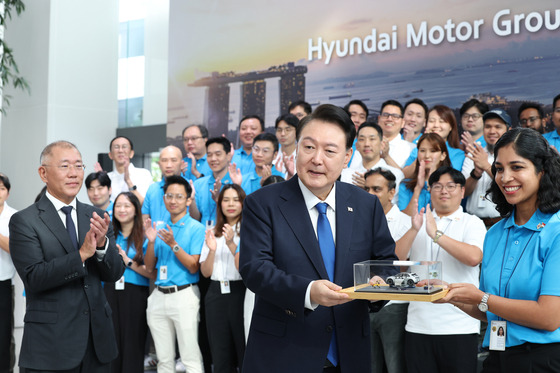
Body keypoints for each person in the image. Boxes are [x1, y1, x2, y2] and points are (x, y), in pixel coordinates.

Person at [239, 104, 398, 372]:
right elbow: (255, 269)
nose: (317, 159)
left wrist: (377, 288)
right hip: (284, 353)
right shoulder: (262, 203)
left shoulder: (366, 205)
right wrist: (308, 292)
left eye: (330, 150)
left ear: (347, 156)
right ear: (296, 148)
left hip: (350, 353)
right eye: (309, 147)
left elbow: (384, 261)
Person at [437, 128, 560, 372]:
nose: (505, 178)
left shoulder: (556, 231)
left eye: (517, 167)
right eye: (499, 169)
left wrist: (481, 297)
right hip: (497, 356)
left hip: (543, 360)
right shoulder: (494, 233)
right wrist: (451, 296)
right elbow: (489, 309)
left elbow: (549, 318)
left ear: (542, 171)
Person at [9, 140, 125, 372]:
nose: (74, 174)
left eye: (79, 166)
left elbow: (113, 274)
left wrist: (102, 246)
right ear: (43, 173)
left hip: (97, 343)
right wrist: (82, 255)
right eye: (65, 166)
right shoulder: (25, 221)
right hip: (51, 344)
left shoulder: (97, 215)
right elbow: (35, 277)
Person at [398, 166, 486, 373]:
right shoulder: (418, 220)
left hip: (460, 325)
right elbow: (397, 261)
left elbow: (474, 258)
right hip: (418, 324)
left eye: (450, 186)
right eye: (437, 186)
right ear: (430, 190)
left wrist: (435, 234)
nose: (443, 191)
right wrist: (414, 229)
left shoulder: (472, 222)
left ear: (462, 191)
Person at [144, 175, 206, 373]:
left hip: (184, 295)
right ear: (164, 198)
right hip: (158, 295)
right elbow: (148, 267)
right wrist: (152, 242)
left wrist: (173, 244)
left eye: (179, 197)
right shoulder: (158, 228)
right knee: (163, 360)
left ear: (188, 200)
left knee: (190, 358)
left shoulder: (196, 228)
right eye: (169, 196)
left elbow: (194, 266)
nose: (173, 201)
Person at [363, 168, 411, 373]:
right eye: (366, 189)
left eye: (377, 189)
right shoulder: (358, 219)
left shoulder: (405, 222)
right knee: (368, 366)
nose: (370, 194)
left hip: (394, 304)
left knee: (394, 366)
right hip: (362, 300)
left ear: (392, 193)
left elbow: (399, 263)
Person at [104, 192, 154, 373]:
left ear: (135, 210)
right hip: (109, 292)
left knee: (133, 344)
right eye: (118, 206)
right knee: (111, 343)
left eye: (127, 206)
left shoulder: (144, 236)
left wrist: (128, 262)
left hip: (135, 293)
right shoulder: (108, 234)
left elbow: (151, 272)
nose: (122, 210)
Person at [200, 184, 246, 373]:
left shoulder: (250, 229)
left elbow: (246, 268)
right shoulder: (212, 231)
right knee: (219, 352)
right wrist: (212, 250)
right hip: (216, 293)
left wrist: (231, 244)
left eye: (236, 200)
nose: (231, 204)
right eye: (226, 200)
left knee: (243, 349)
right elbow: (205, 272)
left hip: (240, 292)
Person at [462, 109, 510, 226]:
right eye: (488, 126)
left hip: (501, 223)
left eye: (498, 127)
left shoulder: (513, 155)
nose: (492, 131)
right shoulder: (474, 154)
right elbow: (463, 192)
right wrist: (476, 174)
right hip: (472, 223)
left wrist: (486, 166)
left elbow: (508, 184)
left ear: (508, 130)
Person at [340, 122, 404, 204]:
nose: (367, 144)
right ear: (357, 146)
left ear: (382, 144)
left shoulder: (396, 174)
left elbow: (392, 207)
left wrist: (369, 188)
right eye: (362, 139)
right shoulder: (345, 174)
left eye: (372, 139)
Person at [403, 105, 465, 177]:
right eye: (431, 121)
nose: (436, 125)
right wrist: (423, 149)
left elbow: (450, 178)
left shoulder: (458, 154)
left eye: (442, 121)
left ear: (451, 127)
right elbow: (404, 175)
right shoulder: (416, 150)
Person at [398, 133, 451, 215]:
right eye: (422, 151)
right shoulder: (405, 185)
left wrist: (432, 185)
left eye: (433, 151)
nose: (427, 156)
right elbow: (404, 218)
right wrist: (418, 188)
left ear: (443, 156)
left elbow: (442, 215)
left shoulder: (451, 185)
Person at [192, 137, 233, 227]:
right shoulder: (198, 184)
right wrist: (191, 200)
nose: (213, 159)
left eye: (218, 154)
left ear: (228, 156)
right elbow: (195, 219)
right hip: (203, 236)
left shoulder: (236, 183)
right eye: (209, 155)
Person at [142, 145, 185, 223]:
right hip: (154, 234)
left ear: (182, 164)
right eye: (164, 160)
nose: (168, 165)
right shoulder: (153, 189)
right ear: (159, 164)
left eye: (173, 160)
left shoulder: (190, 187)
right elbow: (144, 220)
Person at [0, 173, 16, 373]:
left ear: (8, 192)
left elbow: (15, 248)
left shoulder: (14, 216)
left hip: (3, 281)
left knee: (3, 334)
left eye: (1, 188)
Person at [106, 136, 153, 204]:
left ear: (131, 153)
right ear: (110, 155)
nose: (120, 150)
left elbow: (145, 205)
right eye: (116, 147)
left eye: (124, 147)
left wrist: (128, 181)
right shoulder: (108, 177)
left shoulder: (144, 174)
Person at [377, 100, 414, 168]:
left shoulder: (411, 149)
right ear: (379, 119)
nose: (390, 119)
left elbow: (406, 177)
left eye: (395, 116)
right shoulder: (366, 144)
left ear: (403, 122)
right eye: (386, 115)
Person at [273, 113, 298, 178]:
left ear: (297, 132)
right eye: (279, 130)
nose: (283, 134)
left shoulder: (302, 156)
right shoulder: (273, 156)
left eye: (288, 130)